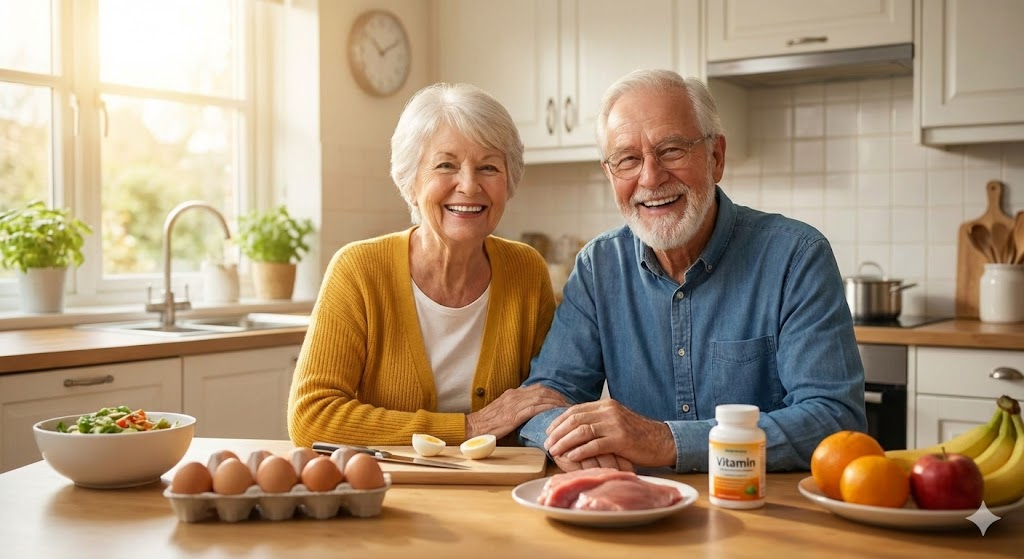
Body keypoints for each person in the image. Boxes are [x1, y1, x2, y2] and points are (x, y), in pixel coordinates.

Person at [518, 69, 866, 473]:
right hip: (637, 507)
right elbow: (545, 400)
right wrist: (573, 441)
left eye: (671, 150)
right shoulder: (599, 267)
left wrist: (665, 441)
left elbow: (835, 421)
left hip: (762, 513)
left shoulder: (796, 256)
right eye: (628, 159)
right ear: (610, 174)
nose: (650, 178)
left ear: (715, 157)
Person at [288, 82, 566, 449]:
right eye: (445, 165)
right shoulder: (358, 269)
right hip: (389, 489)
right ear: (409, 181)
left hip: (496, 489)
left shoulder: (526, 269)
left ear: (509, 182)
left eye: (488, 167)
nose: (469, 186)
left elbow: (543, 399)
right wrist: (469, 426)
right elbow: (312, 418)